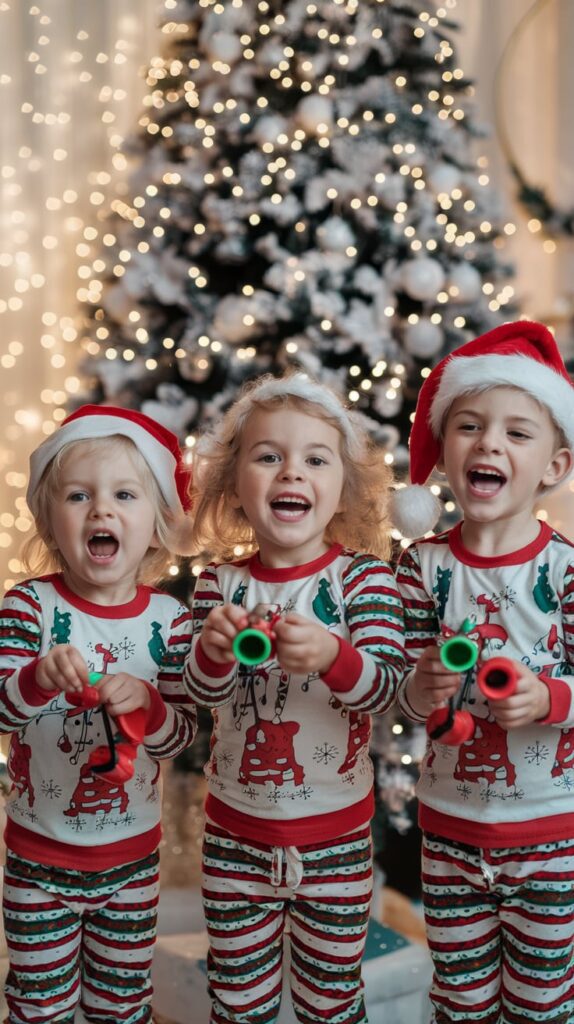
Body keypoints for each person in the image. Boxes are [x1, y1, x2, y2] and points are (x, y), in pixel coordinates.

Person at [183, 372, 405, 1024]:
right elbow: (198, 692)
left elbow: (387, 689)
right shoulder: (217, 585)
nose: (292, 472)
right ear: (233, 486)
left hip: (336, 836)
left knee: (330, 999)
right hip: (234, 836)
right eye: (268, 456)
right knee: (237, 998)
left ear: (343, 490)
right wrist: (214, 651)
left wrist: (334, 656)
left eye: (315, 459)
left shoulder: (363, 580)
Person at [392, 320, 574, 1024]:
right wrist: (422, 684)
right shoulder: (420, 567)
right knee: (460, 1000)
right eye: (469, 426)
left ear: (553, 467)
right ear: (445, 453)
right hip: (450, 831)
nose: (488, 443)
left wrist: (547, 698)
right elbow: (401, 694)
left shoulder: (563, 571)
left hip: (552, 837)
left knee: (542, 1004)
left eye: (516, 433)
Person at [0, 405, 197, 1024]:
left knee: (122, 1002)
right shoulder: (28, 607)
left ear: (158, 526)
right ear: (49, 521)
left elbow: (180, 738)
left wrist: (149, 703)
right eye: (79, 495)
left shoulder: (171, 621)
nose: (100, 511)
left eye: (124, 495)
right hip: (38, 859)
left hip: (132, 862)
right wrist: (36, 678)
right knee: (39, 1005)